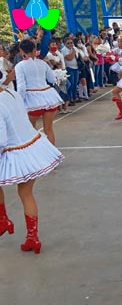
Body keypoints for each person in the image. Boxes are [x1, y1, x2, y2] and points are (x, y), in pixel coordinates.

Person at [0, 86, 64, 254]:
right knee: (27, 194)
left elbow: (1, 139)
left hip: (15, 150)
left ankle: (3, 219)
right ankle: (32, 237)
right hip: (32, 146)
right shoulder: (11, 93)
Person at [14, 40, 64, 145]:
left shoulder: (20, 66)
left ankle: (38, 156)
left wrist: (19, 102)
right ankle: (52, 156)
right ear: (34, 49)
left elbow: (21, 87)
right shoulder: (43, 63)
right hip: (48, 97)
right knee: (49, 129)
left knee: (31, 131)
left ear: (21, 50)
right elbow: (52, 79)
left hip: (32, 100)